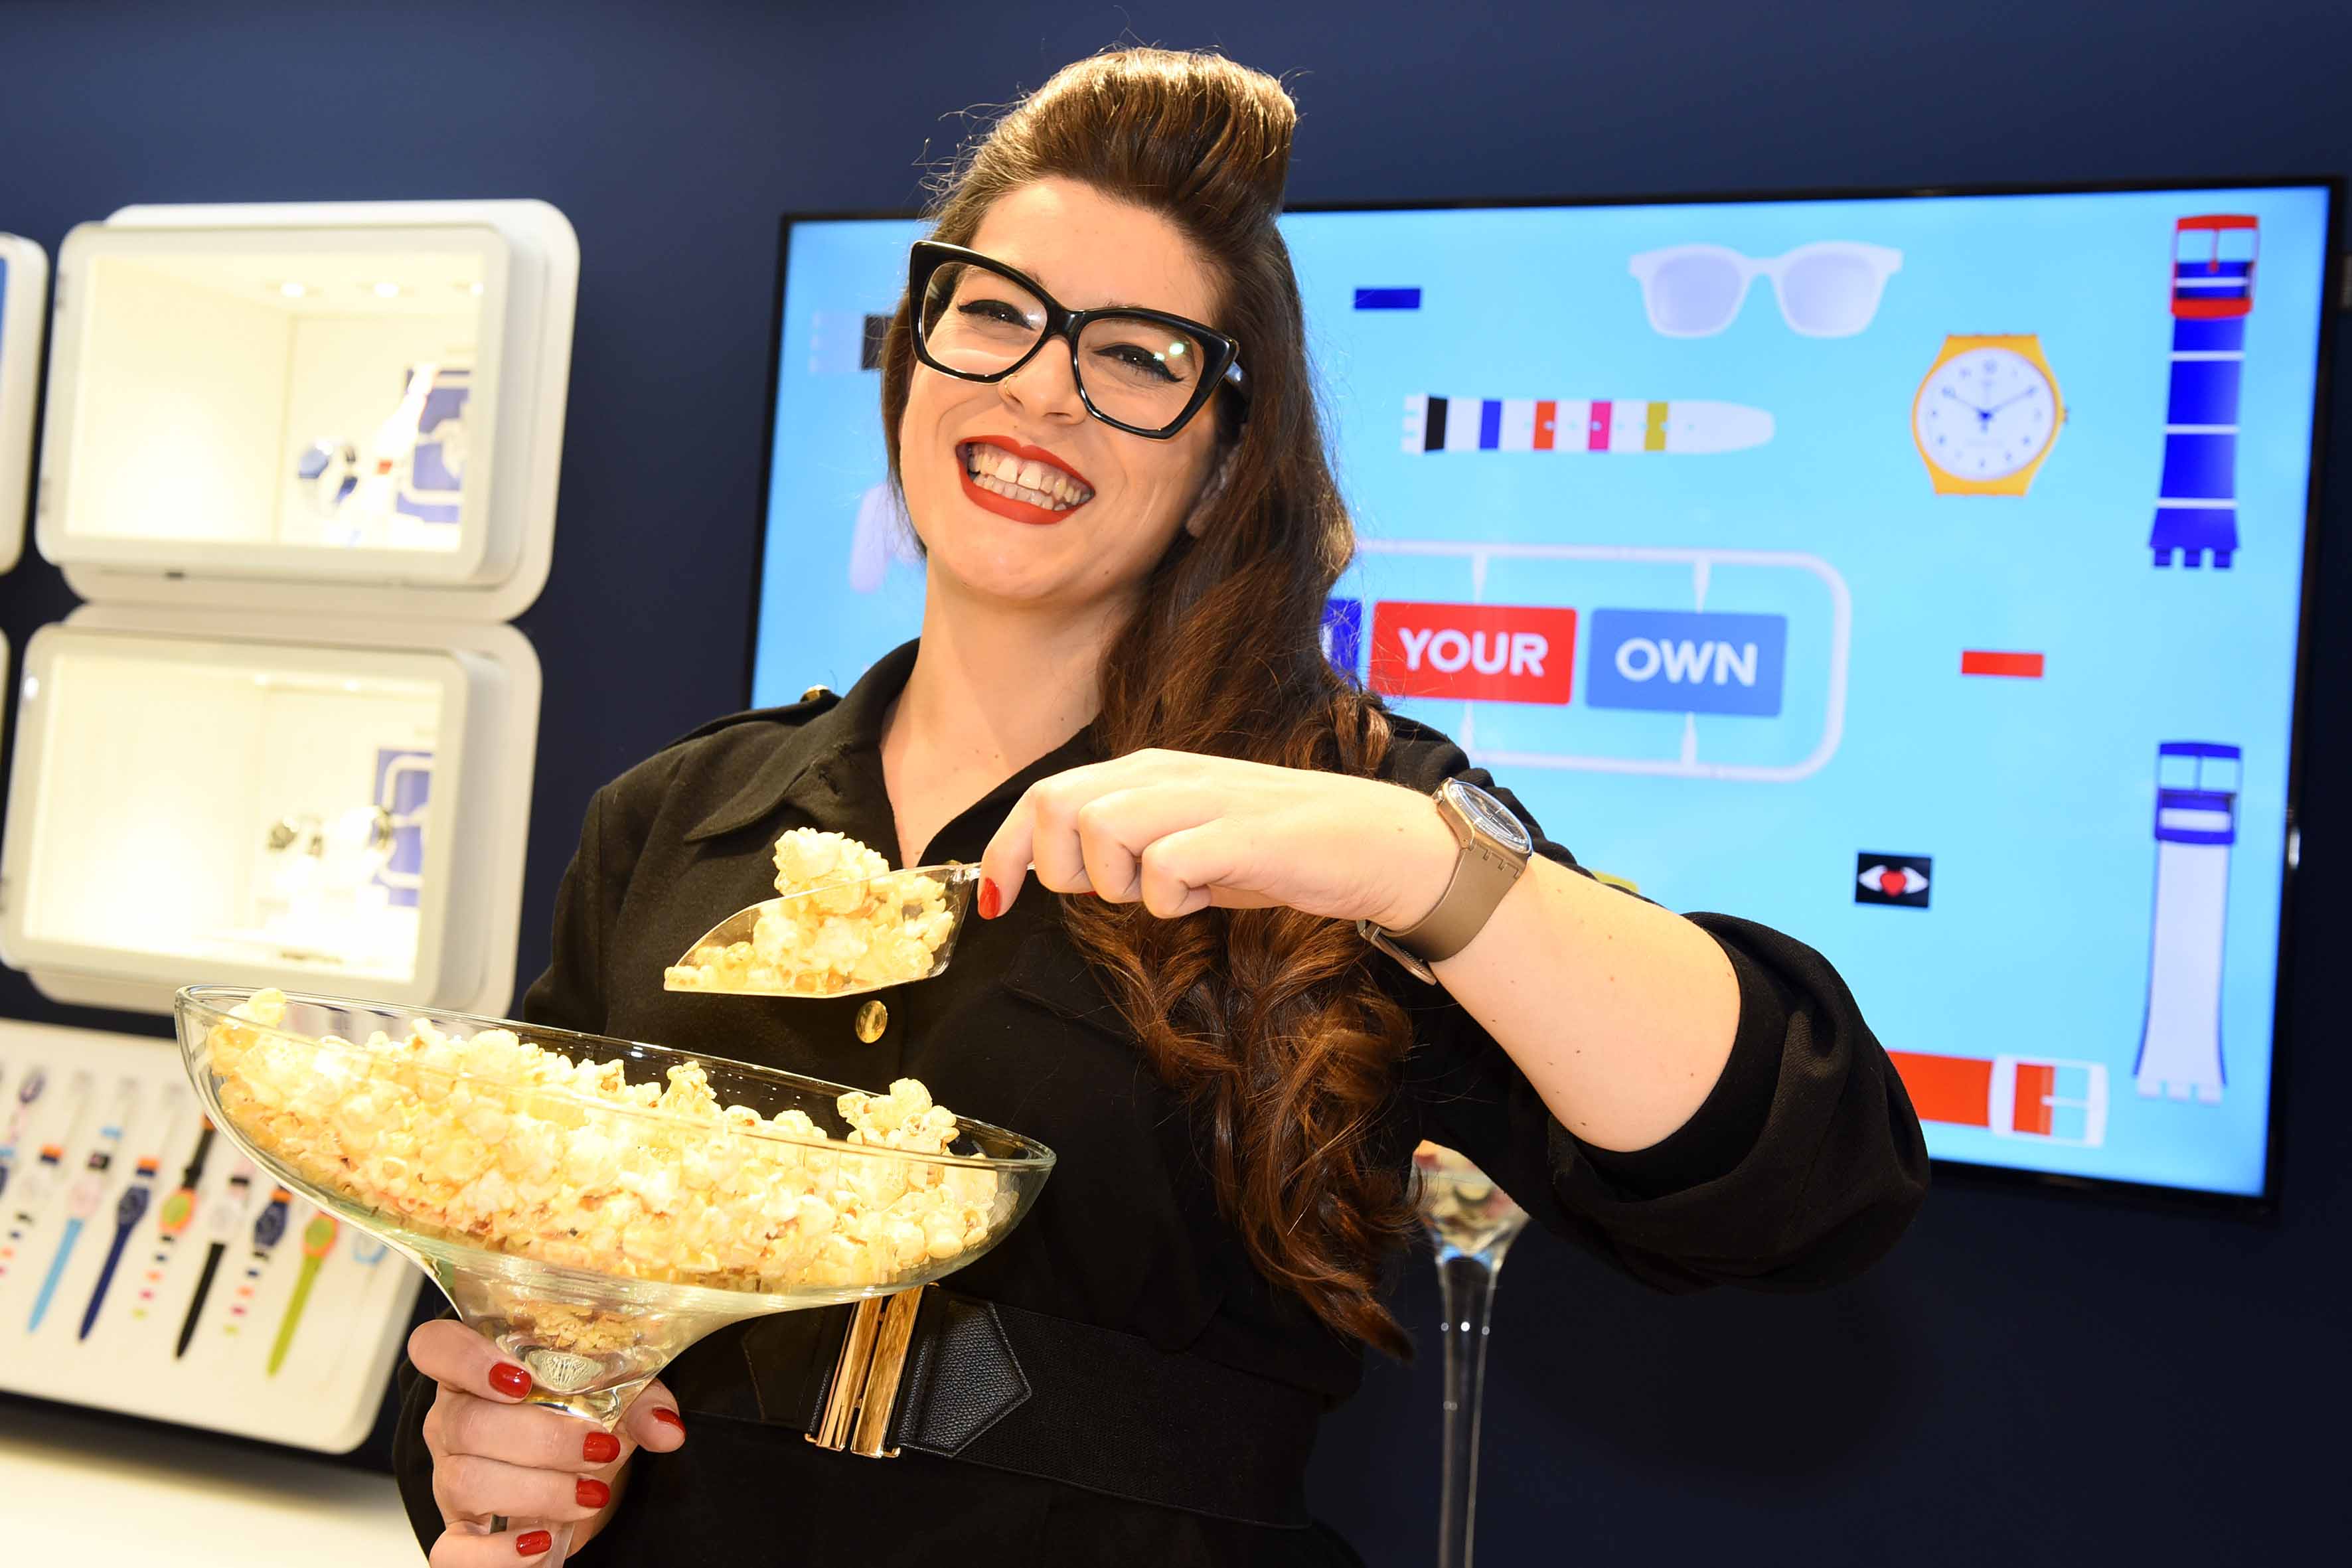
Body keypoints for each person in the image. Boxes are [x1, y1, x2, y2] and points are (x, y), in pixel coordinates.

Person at [394, 47, 1928, 1567]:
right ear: (913, 363)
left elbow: (1810, 1181)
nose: (1038, 388)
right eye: (992, 314)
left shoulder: (1335, 824)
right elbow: (498, 1308)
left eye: (1135, 357)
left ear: (1217, 468)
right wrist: (498, 1447)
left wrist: (1415, 862)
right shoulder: (674, 817)